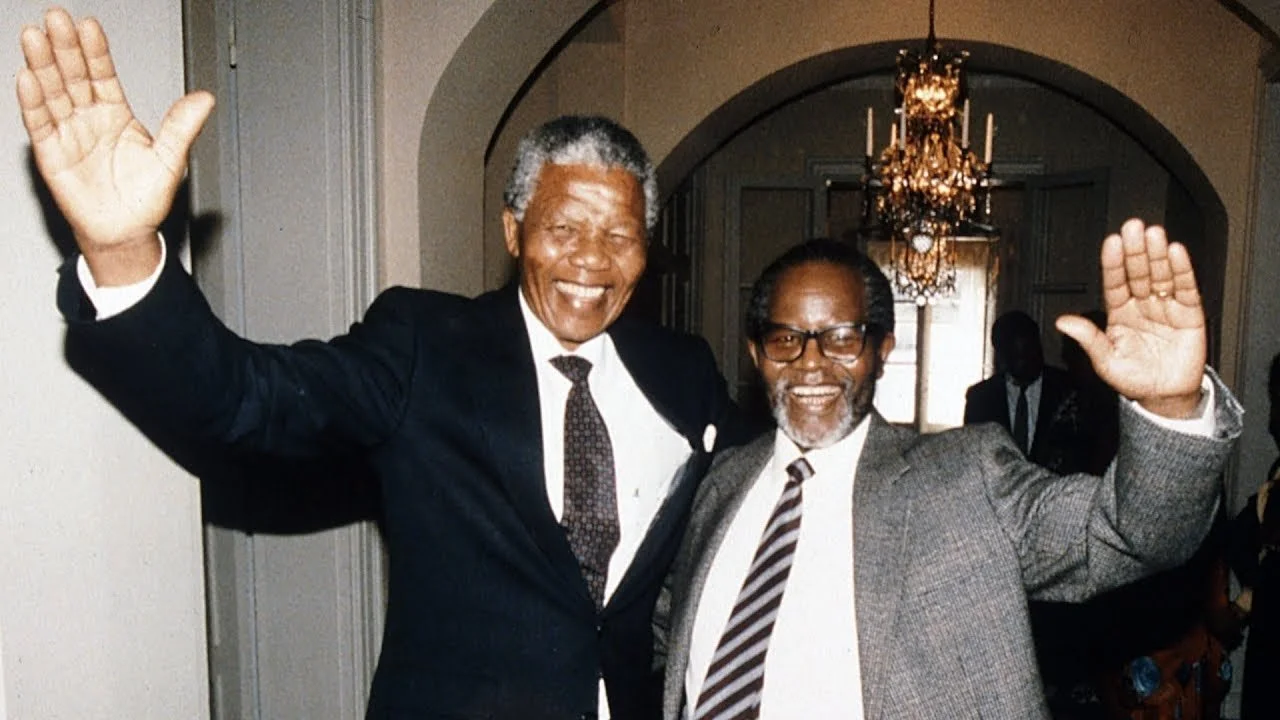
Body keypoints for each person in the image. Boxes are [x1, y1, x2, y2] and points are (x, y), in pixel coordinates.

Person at [16, 8, 746, 719]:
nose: (592, 259)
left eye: (620, 235)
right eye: (563, 228)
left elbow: (760, 498)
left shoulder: (682, 370)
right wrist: (121, 252)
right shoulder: (425, 345)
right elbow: (247, 400)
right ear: (514, 231)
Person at [655, 229, 1241, 719]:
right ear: (757, 354)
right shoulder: (720, 481)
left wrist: (1170, 410)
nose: (811, 362)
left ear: (882, 349)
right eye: (786, 339)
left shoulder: (966, 477)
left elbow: (1127, 535)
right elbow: (660, 624)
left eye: (841, 338)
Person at [964, 309, 1087, 475]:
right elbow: (972, 457)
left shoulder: (1067, 390)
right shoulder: (981, 398)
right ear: (1002, 357)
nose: (1030, 363)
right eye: (1020, 358)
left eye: (1034, 353)